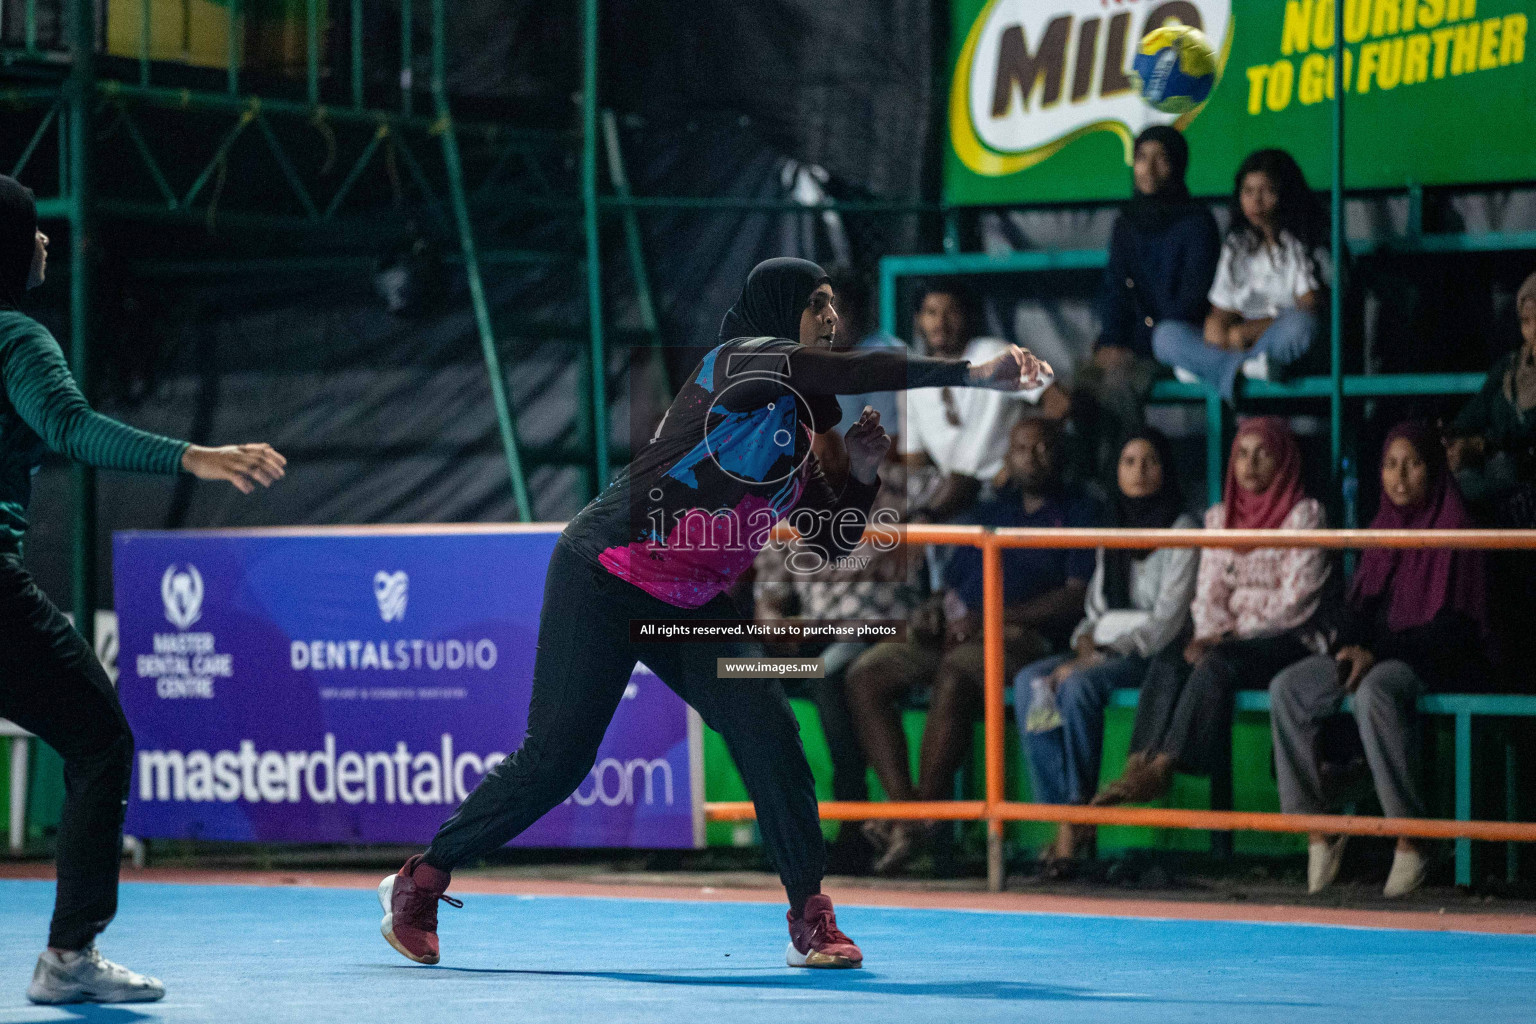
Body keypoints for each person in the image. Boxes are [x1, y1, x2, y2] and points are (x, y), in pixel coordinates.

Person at [379, 257, 1051, 970]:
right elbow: (849, 373)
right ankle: (420, 881)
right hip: (604, 576)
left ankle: (811, 918)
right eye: (816, 304)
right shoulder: (740, 361)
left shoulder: (798, 440)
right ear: (779, 310)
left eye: (833, 306)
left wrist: (858, 472)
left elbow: (827, 541)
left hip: (692, 605)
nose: (830, 317)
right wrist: (973, 376)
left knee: (768, 730)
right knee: (557, 762)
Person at [0, 176, 288, 1005]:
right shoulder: (17, 337)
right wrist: (194, 457)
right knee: (99, 744)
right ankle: (68, 957)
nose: (49, 241)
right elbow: (69, 426)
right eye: (34, 229)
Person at [845, 418, 1097, 874]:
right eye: (1022, 448)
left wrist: (992, 620)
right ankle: (910, 816)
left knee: (957, 673)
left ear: (1061, 454)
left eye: (1043, 447)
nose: (1032, 457)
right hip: (959, 630)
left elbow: (1074, 595)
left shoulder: (1081, 510)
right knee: (867, 673)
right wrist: (933, 608)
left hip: (1024, 639)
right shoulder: (990, 510)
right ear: (1008, 457)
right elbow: (955, 582)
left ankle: (915, 823)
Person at [1270, 422, 1489, 898]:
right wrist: (1350, 647)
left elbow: (1454, 631)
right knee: (1288, 689)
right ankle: (1320, 832)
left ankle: (1412, 839)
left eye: (1412, 464)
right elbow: (1358, 607)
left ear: (1432, 469)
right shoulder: (1380, 527)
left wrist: (1375, 654)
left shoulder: (1456, 526)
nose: (1400, 476)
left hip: (1430, 659)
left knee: (1374, 692)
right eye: (1390, 464)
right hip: (1377, 653)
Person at [1094, 417, 1331, 806]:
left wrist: (1226, 637)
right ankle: (1138, 762)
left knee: (1218, 662)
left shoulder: (1305, 516)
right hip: (1225, 637)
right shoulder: (1220, 518)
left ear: (1285, 461)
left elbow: (1296, 602)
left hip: (1285, 640)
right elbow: (1209, 593)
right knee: (1171, 657)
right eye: (1241, 454)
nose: (1250, 464)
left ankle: (1163, 768)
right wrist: (1207, 632)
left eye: (1263, 454)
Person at [1013, 430, 1197, 872]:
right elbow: (1095, 607)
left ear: (1165, 469)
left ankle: (1074, 820)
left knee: (1077, 687)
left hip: (1150, 654)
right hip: (1101, 648)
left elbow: (1168, 621)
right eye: (1129, 461)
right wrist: (1083, 642)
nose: (1138, 471)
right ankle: (1065, 815)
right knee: (1031, 683)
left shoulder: (1183, 529)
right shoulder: (1111, 523)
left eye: (1149, 461)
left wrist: (1101, 653)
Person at [1078, 125, 1220, 469]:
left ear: (1178, 165)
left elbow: (1189, 302)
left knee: (1118, 385)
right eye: (1141, 158)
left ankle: (1124, 484)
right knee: (1078, 386)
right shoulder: (1126, 222)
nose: (1149, 169)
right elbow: (1115, 287)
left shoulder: (1197, 223)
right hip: (1131, 343)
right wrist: (1111, 339)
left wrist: (1132, 346)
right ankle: (1087, 487)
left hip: (1176, 342)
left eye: (1161, 159)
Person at [1152, 149, 1326, 401]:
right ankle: (1242, 370)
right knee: (1165, 336)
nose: (1256, 200)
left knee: (1302, 327)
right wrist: (1217, 324)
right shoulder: (1237, 244)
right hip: (1237, 348)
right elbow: (1222, 309)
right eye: (1248, 191)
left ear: (1284, 194)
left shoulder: (1302, 242)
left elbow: (1309, 308)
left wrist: (1251, 331)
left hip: (1272, 342)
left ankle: (1209, 368)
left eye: (1266, 191)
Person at [901, 280, 1059, 522]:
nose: (941, 323)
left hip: (1007, 489)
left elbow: (1058, 401)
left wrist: (1021, 459)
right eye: (931, 313)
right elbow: (914, 461)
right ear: (918, 320)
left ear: (966, 316)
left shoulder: (994, 354)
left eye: (951, 312)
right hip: (953, 496)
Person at [1444, 269, 1536, 520]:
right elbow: (1477, 409)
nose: (1533, 331)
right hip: (1493, 472)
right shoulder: (1510, 368)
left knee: (1503, 467)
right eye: (1527, 321)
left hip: (1525, 481)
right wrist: (1451, 437)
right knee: (1455, 480)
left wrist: (1484, 445)